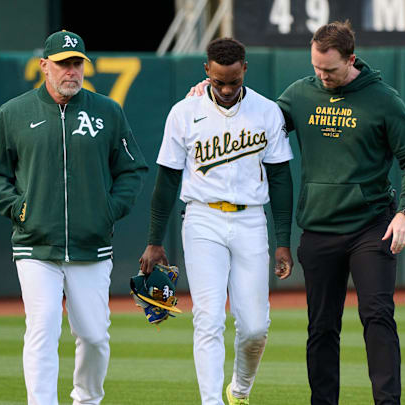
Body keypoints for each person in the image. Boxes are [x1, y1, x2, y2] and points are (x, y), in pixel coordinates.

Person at [189, 21, 405, 405]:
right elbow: (253, 120)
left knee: (377, 315)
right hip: (319, 228)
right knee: (321, 328)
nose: (321, 75)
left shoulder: (383, 99)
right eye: (316, 67)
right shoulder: (301, 93)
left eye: (330, 70)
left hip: (371, 225)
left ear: (351, 59)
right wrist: (207, 99)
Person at [0, 30, 148, 405]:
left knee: (95, 336)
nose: (72, 71)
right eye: (63, 63)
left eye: (77, 63)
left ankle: (86, 399)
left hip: (91, 242)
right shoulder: (15, 112)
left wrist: (109, 209)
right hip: (35, 243)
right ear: (44, 66)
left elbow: (132, 170)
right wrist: (19, 208)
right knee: (42, 329)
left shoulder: (107, 111)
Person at [139, 38, 295, 405]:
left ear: (244, 70)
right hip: (202, 219)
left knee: (255, 327)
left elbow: (281, 179)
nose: (226, 90)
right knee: (208, 319)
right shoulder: (183, 112)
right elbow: (166, 180)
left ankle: (239, 389)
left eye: (233, 82)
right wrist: (154, 239)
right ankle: (211, 402)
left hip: (251, 220)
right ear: (207, 71)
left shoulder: (267, 111)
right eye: (219, 81)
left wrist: (284, 240)